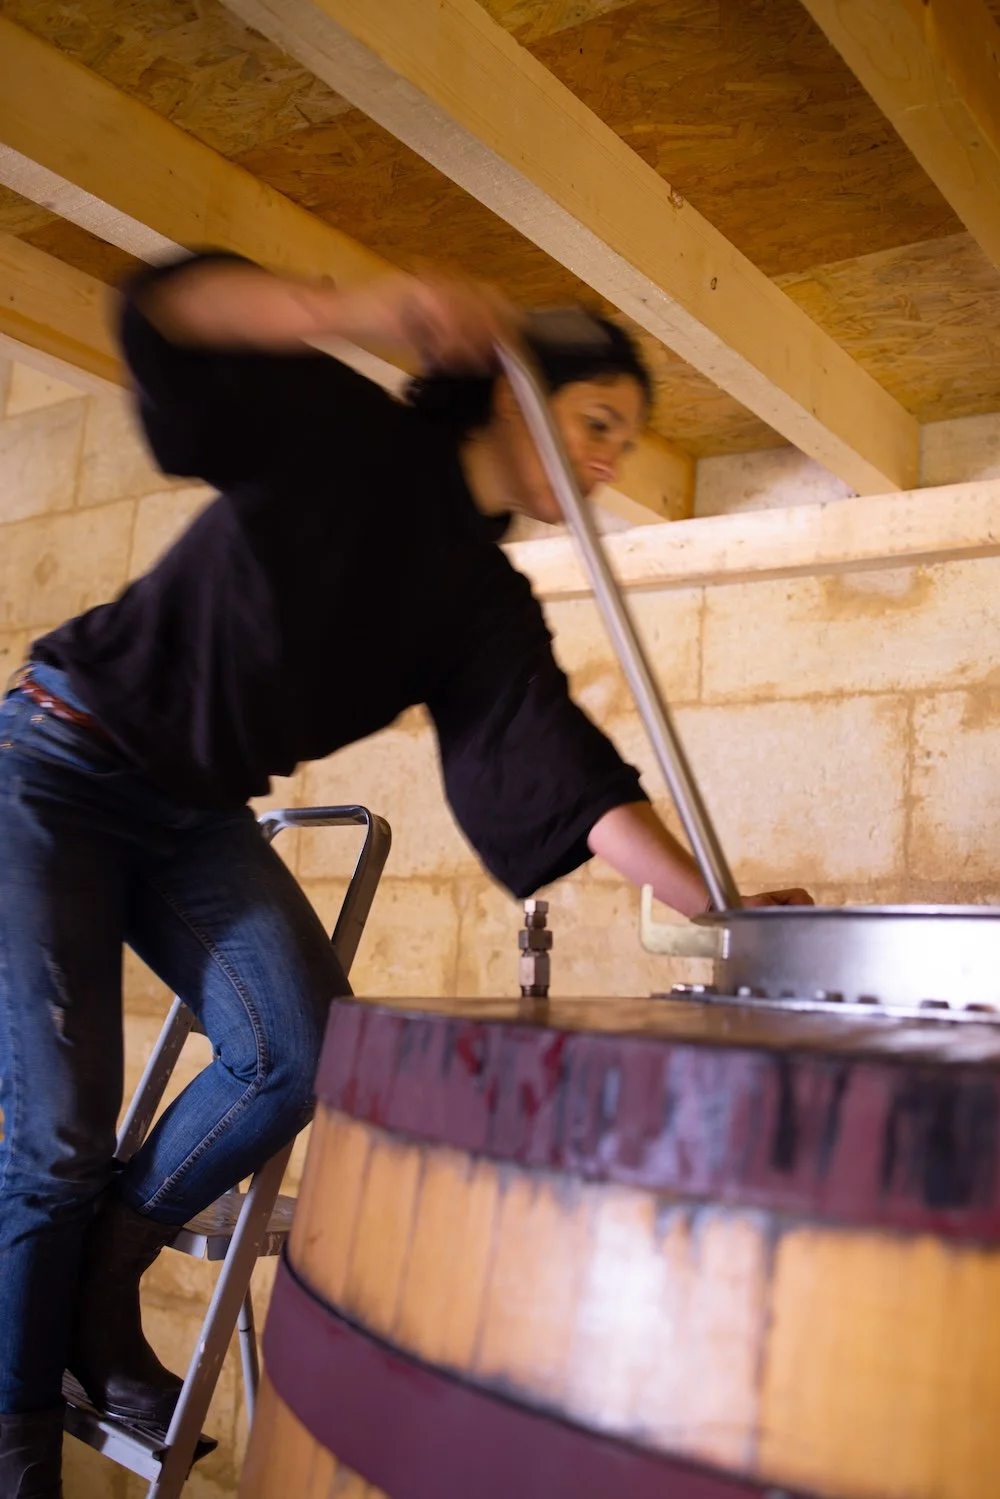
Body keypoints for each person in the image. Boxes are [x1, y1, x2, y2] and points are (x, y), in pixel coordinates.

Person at [0, 251, 810, 1496]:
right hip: (56, 758)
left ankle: (98, 1284)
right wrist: (362, 307)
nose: (608, 460)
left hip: (192, 808)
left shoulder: (479, 601)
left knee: (303, 1048)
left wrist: (723, 903)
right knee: (56, 1136)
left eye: (621, 441)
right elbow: (164, 320)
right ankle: (12, 1436)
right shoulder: (345, 435)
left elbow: (564, 772)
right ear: (508, 390)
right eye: (596, 422)